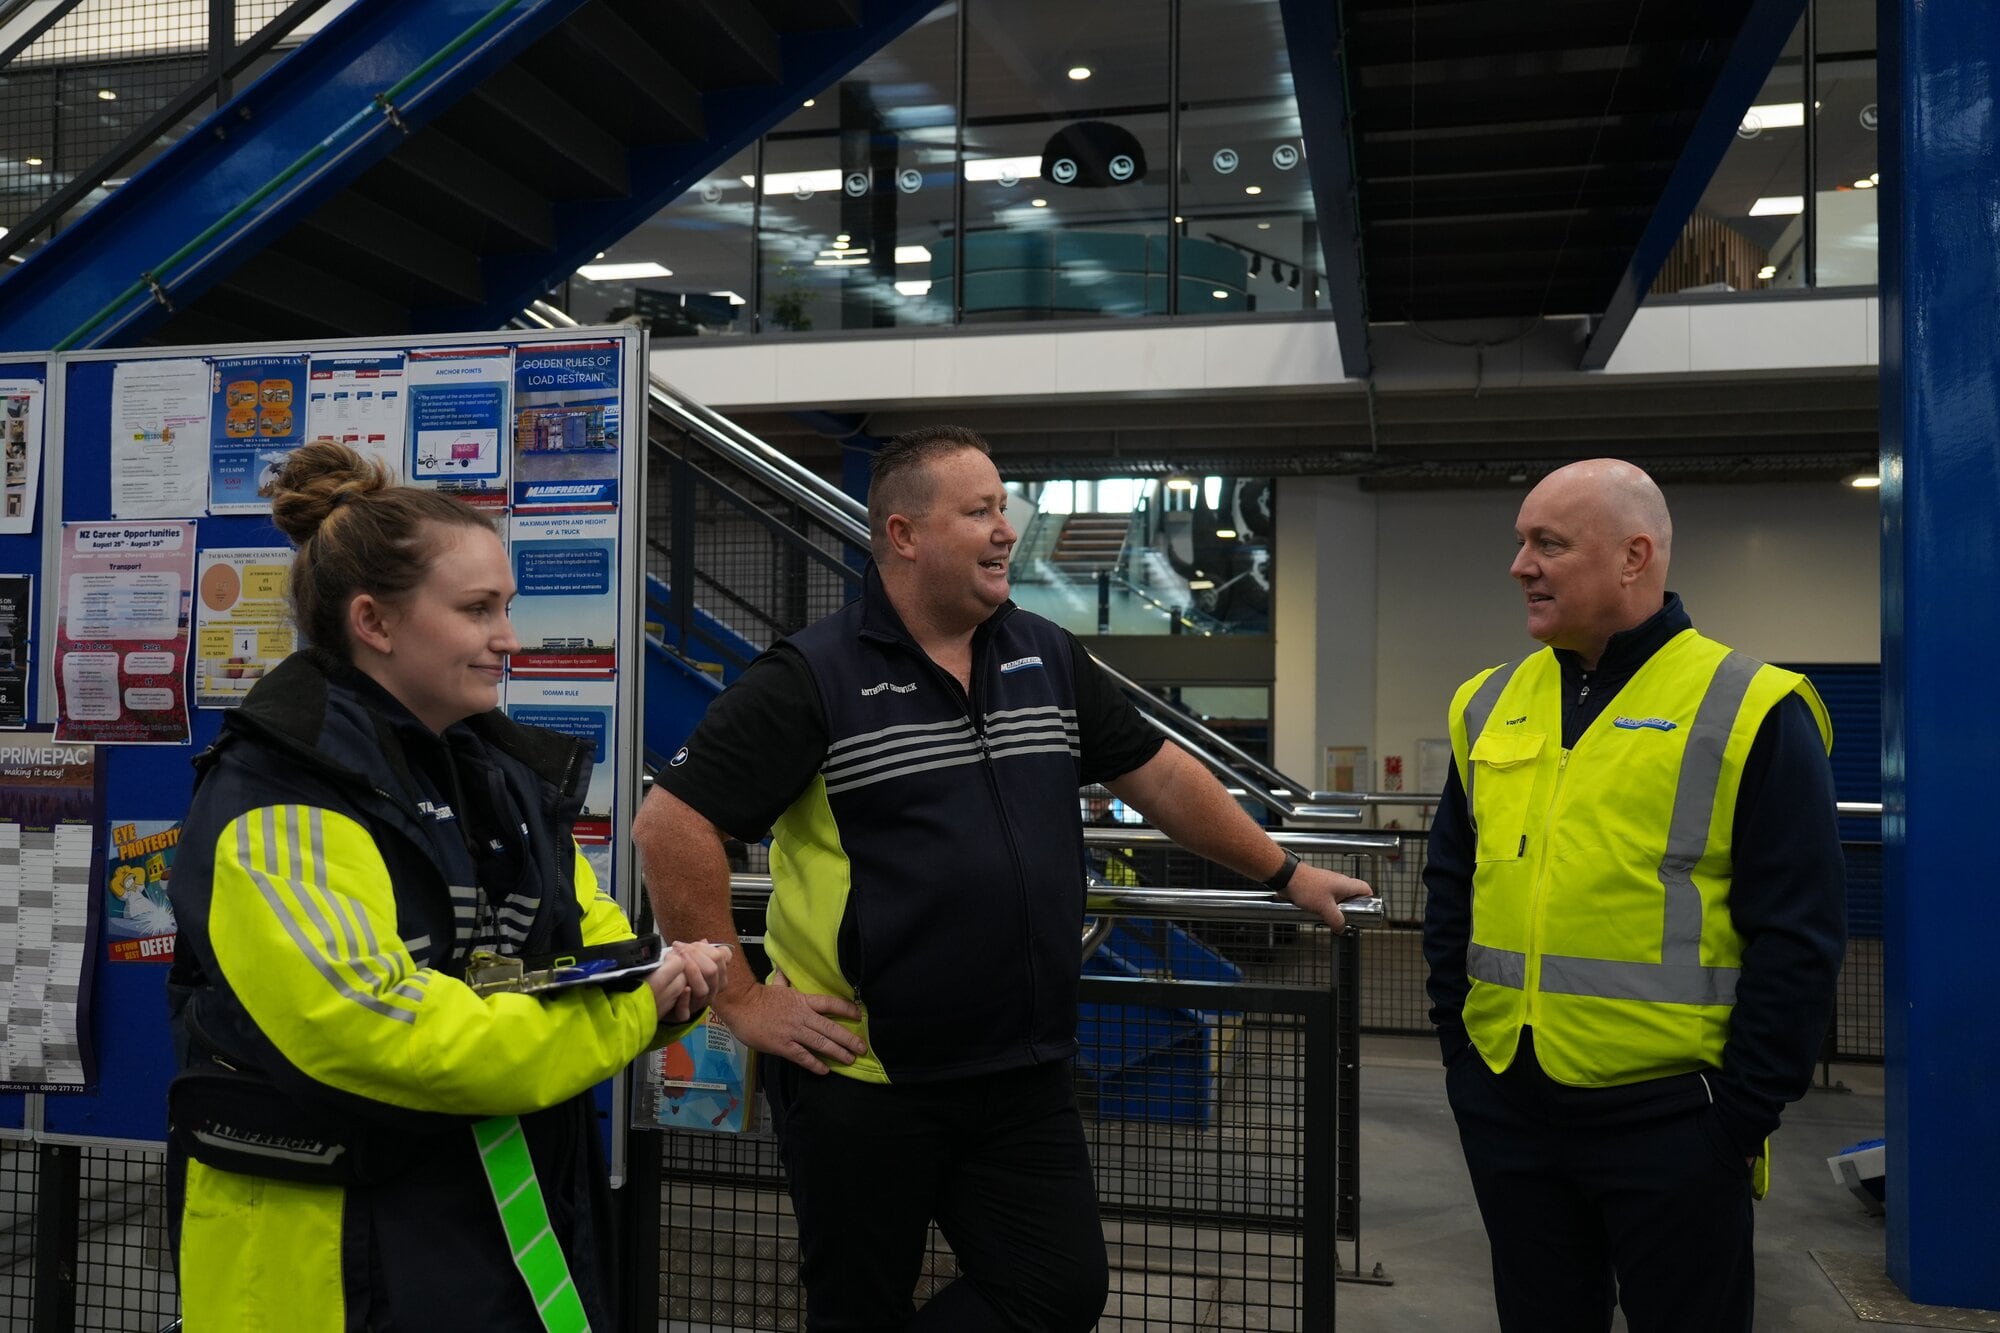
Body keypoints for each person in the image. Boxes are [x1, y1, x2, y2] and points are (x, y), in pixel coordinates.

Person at [633, 425, 1374, 1333]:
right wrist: (739, 999)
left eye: (1004, 509)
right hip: (866, 1076)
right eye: (979, 511)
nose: (1005, 531)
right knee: (857, 1303)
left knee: (1057, 1287)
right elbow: (671, 820)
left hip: (1024, 1069)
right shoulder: (814, 676)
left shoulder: (1046, 655)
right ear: (904, 535)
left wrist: (1283, 868)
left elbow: (1162, 774)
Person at [165, 440, 730, 1331]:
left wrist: (664, 990)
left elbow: (597, 942)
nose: (507, 636)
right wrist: (631, 1011)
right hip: (327, 1273)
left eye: (506, 606)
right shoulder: (277, 797)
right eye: (476, 609)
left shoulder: (500, 776)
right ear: (374, 622)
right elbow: (382, 1030)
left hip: (492, 1249)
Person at [1422, 458, 1845, 1332]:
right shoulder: (1486, 702)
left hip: (1675, 1121)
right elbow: (1449, 886)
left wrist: (1738, 1117)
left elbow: (1799, 934)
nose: (1520, 565)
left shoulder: (1750, 707)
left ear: (1633, 556)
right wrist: (1463, 1063)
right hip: (1510, 1104)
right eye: (1520, 542)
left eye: (1548, 543)